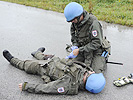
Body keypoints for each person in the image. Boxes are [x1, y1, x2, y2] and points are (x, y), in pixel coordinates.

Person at [3, 47, 106, 95]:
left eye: (92, 74)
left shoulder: (69, 84)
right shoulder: (85, 72)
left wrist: (28, 86)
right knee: (45, 56)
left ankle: (12, 60)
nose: (92, 72)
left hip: (44, 68)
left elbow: (48, 88)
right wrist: (102, 58)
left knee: (25, 65)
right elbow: (98, 67)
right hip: (55, 61)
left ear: (88, 78)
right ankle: (37, 53)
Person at [64, 2, 111, 73]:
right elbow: (74, 37)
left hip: (96, 50)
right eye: (71, 21)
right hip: (83, 48)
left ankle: (103, 58)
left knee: (94, 73)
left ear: (80, 15)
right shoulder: (75, 23)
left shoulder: (93, 23)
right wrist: (75, 46)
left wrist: (80, 50)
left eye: (73, 20)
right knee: (71, 67)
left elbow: (96, 43)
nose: (72, 22)